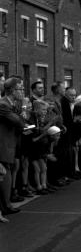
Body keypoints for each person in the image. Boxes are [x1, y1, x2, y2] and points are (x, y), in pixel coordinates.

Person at [0, 77, 25, 216]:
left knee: (7, 172)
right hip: (3, 144)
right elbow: (19, 121)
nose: (22, 91)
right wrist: (22, 117)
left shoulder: (12, 103)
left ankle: (6, 204)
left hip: (10, 143)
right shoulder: (3, 104)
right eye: (20, 89)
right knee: (5, 174)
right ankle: (6, 205)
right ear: (11, 90)